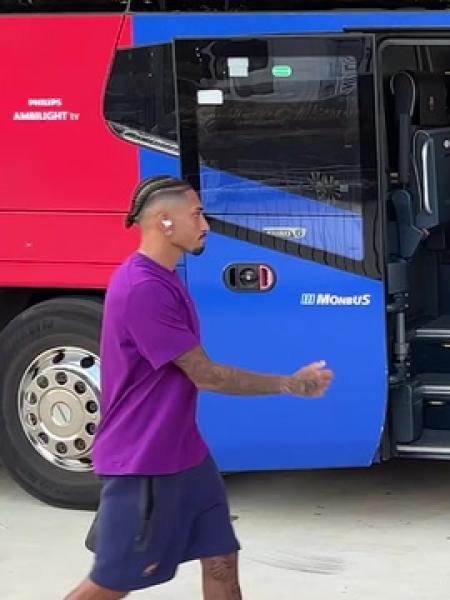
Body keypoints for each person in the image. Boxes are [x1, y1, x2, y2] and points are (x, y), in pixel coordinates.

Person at [66, 176, 334, 600]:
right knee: (111, 582)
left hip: (186, 454)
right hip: (144, 461)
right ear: (165, 222)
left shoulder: (165, 277)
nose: (205, 224)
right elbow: (205, 374)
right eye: (196, 214)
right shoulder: (142, 289)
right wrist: (288, 383)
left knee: (222, 558)